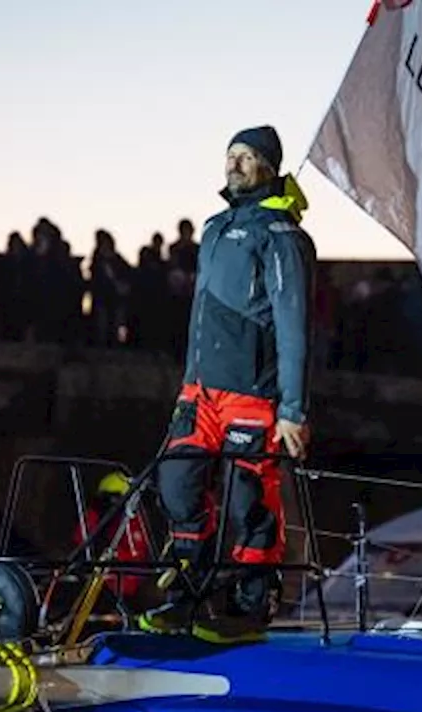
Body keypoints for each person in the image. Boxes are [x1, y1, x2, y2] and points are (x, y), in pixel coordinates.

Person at [140, 125, 317, 642]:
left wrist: (293, 409)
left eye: (248, 157)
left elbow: (294, 323)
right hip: (200, 393)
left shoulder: (283, 236)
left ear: (269, 167)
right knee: (176, 484)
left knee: (250, 501)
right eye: (231, 155)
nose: (235, 165)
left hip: (254, 396)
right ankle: (187, 593)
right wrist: (188, 381)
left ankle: (250, 603)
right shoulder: (215, 228)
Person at [72, 471, 151, 609]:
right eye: (104, 499)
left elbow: (137, 558)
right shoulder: (94, 518)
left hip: (125, 591)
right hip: (92, 586)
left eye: (113, 499)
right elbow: (79, 542)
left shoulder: (133, 522)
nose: (109, 505)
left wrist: (113, 553)